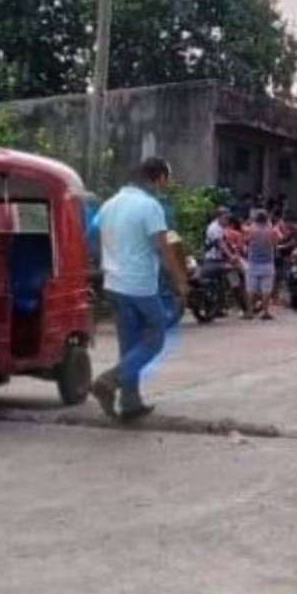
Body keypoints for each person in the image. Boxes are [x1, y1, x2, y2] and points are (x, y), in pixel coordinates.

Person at [91, 157, 188, 422]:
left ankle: (130, 403)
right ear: (159, 178)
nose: (165, 186)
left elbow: (94, 236)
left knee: (130, 344)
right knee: (155, 339)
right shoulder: (150, 206)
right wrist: (180, 280)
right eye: (166, 180)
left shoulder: (110, 204)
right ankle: (111, 379)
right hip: (140, 285)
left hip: (113, 283)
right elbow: (162, 247)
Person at [244, 209, 277, 320]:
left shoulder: (251, 230)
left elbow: (245, 241)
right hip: (267, 262)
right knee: (266, 290)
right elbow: (274, 244)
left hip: (253, 262)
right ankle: (265, 312)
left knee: (250, 289)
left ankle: (249, 312)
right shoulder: (270, 231)